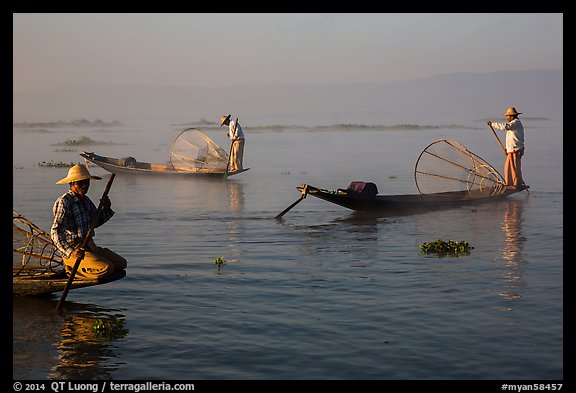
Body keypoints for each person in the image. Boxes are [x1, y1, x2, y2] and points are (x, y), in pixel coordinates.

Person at [51, 164, 127, 280]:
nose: (85, 186)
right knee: (108, 268)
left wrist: (106, 209)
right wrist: (71, 252)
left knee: (121, 264)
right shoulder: (64, 202)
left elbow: (95, 223)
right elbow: (55, 232)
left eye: (86, 182)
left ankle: (86, 265)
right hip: (75, 250)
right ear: (72, 184)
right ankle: (72, 269)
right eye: (81, 183)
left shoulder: (86, 201)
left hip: (89, 246)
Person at [486, 107, 526, 189]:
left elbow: (505, 127)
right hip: (511, 150)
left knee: (514, 168)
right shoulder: (514, 124)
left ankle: (516, 184)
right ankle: (510, 183)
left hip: (516, 150)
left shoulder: (515, 123)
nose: (507, 118)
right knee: (508, 167)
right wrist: (507, 150)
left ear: (512, 116)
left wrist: (492, 124)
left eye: (507, 116)